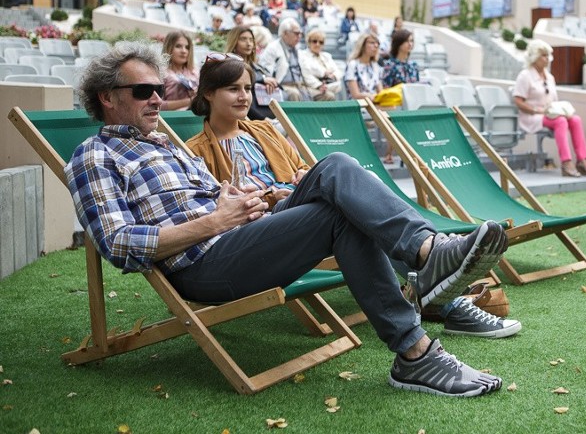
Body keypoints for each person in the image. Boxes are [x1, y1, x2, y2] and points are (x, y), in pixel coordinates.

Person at [67, 43, 510, 396]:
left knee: (334, 173)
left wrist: (241, 199)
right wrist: (218, 221)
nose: (158, 99)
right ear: (107, 98)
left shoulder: (164, 144)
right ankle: (424, 285)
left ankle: (421, 310)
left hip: (243, 236)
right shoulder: (94, 155)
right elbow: (119, 244)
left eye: (159, 88)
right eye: (144, 92)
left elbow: (211, 198)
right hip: (204, 265)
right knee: (336, 189)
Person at [187, 56, 521, 339]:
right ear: (208, 94)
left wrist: (302, 176)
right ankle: (435, 266)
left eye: (247, 88)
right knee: (339, 169)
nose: (244, 96)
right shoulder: (195, 152)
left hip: (299, 201)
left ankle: (444, 291)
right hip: (267, 224)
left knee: (354, 202)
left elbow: (300, 167)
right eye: (233, 89)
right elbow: (216, 209)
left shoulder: (264, 130)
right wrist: (269, 196)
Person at [513, 39, 586, 177]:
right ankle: (566, 163)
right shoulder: (525, 76)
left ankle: (582, 161)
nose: (547, 59)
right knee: (561, 121)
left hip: (550, 114)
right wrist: (536, 110)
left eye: (548, 55)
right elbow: (518, 101)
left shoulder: (550, 77)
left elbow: (553, 100)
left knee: (575, 120)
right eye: (543, 55)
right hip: (532, 117)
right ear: (534, 57)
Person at [224, 25, 278, 120]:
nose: (248, 43)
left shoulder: (257, 67)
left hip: (269, 112)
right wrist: (261, 80)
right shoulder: (227, 66)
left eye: (251, 40)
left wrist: (270, 84)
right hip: (250, 117)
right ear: (234, 42)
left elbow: (276, 84)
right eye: (243, 39)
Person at [259, 17, 310, 101]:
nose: (299, 36)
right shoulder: (272, 48)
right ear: (285, 33)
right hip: (282, 85)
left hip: (300, 85)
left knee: (326, 95)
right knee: (294, 94)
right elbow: (265, 69)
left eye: (300, 33)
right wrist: (269, 81)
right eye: (296, 33)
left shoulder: (298, 49)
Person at [161, 31, 198, 111]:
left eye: (187, 47)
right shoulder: (160, 73)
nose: (184, 51)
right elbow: (156, 105)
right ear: (169, 47)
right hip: (169, 119)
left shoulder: (195, 72)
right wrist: (190, 101)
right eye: (178, 46)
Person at [300, 29, 340, 101]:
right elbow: (307, 72)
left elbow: (337, 72)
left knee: (339, 87)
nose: (317, 44)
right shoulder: (303, 55)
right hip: (311, 87)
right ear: (308, 42)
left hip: (329, 85)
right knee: (330, 96)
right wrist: (325, 74)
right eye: (314, 41)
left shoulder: (327, 56)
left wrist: (333, 75)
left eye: (321, 42)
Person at [344, 32, 384, 101]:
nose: (376, 45)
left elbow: (380, 91)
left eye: (377, 43)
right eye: (372, 43)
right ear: (362, 45)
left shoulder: (375, 66)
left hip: (374, 103)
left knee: (392, 106)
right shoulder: (353, 65)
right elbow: (355, 94)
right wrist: (370, 96)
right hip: (359, 105)